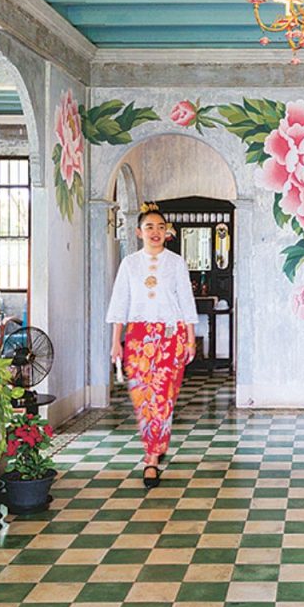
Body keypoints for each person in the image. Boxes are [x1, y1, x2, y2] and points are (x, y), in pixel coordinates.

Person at [107, 203, 197, 488]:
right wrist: (116, 341)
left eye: (160, 227)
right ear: (139, 232)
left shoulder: (176, 263)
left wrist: (190, 338)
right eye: (149, 227)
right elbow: (120, 301)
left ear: (166, 232)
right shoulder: (129, 264)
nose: (155, 232)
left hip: (171, 335)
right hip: (137, 336)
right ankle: (154, 444)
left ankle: (152, 458)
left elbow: (186, 300)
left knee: (162, 396)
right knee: (142, 397)